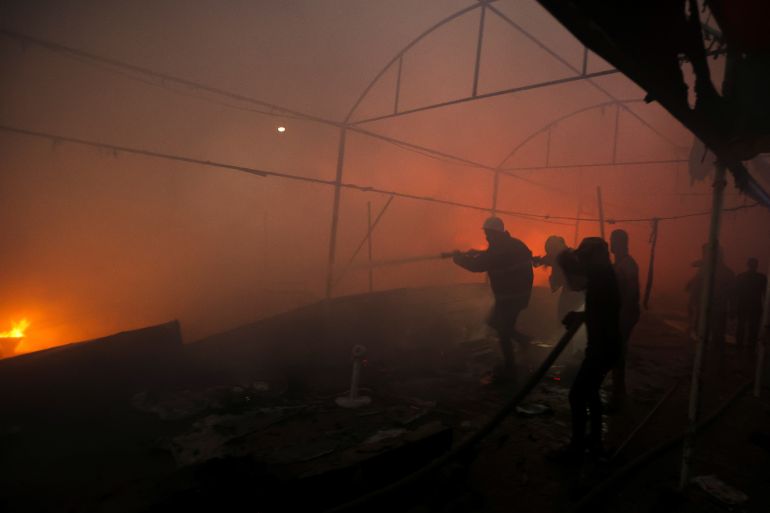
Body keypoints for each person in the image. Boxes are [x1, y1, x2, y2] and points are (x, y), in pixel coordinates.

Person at [550, 237, 621, 462]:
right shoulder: (603, 276)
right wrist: (580, 315)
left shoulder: (600, 278)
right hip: (607, 346)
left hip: (602, 348)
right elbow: (601, 308)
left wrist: (581, 316)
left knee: (577, 395)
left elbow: (600, 310)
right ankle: (595, 442)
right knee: (590, 393)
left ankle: (578, 447)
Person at [452, 216, 534, 382]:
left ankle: (510, 370)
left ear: (495, 233)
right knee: (494, 322)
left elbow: (478, 266)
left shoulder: (499, 250)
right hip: (518, 295)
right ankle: (523, 340)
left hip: (509, 297)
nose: (486, 236)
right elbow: (493, 257)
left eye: (488, 233)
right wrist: (479, 252)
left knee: (503, 331)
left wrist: (458, 258)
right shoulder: (514, 244)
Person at [609, 229, 640, 409]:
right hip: (620, 313)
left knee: (618, 353)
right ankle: (618, 390)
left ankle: (619, 393)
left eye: (614, 241)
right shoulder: (618, 264)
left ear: (622, 243)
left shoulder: (628, 265)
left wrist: (623, 315)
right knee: (616, 353)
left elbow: (631, 293)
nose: (612, 245)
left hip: (625, 314)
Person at [686, 244, 735, 349]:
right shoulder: (725, 272)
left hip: (712, 307)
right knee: (711, 333)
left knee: (709, 333)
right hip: (712, 307)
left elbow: (731, 292)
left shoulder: (708, 271)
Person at [533, 235, 585, 323]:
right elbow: (545, 260)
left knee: (566, 317)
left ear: (555, 248)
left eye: (551, 250)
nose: (550, 254)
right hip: (569, 291)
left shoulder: (570, 257)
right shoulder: (558, 255)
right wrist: (537, 260)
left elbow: (564, 279)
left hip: (575, 293)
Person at [734, 258, 767, 354]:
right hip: (755, 307)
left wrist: (733, 307)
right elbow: (765, 294)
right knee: (752, 328)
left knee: (742, 327)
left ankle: (739, 348)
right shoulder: (761, 278)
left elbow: (735, 293)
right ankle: (750, 349)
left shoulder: (741, 277)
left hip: (744, 306)